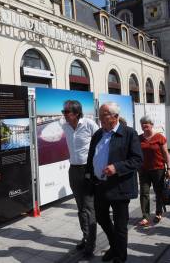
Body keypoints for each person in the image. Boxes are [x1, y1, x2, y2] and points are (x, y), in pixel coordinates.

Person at [86, 102, 143, 263]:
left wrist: (116, 167)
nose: (100, 117)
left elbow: (137, 160)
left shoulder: (129, 133)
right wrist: (89, 177)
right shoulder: (98, 134)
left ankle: (120, 256)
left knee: (120, 226)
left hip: (119, 187)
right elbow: (91, 158)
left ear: (115, 117)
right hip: (100, 185)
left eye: (104, 114)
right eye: (100, 113)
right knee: (102, 219)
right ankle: (114, 246)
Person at [60, 100, 98, 258]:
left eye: (66, 112)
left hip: (88, 169)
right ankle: (86, 236)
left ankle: (91, 244)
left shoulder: (89, 124)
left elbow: (101, 142)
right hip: (73, 170)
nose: (63, 115)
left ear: (76, 113)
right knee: (80, 207)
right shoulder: (64, 125)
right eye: (63, 112)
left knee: (89, 208)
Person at [138, 115, 170, 226]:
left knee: (159, 192)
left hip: (158, 169)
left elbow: (166, 154)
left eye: (146, 124)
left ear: (151, 125)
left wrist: (169, 168)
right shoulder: (139, 138)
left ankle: (158, 213)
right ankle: (145, 216)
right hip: (143, 170)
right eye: (142, 124)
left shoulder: (159, 137)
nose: (144, 126)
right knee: (144, 193)